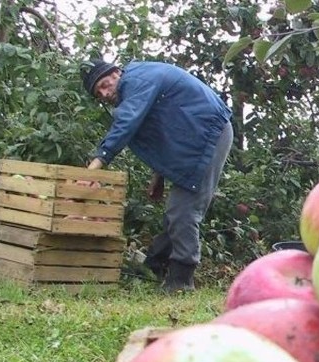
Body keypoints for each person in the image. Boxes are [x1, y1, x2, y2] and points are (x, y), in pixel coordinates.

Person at [80, 57, 233, 293]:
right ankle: (155, 266)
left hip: (209, 134)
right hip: (194, 139)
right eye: (98, 94)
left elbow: (127, 123)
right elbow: (161, 132)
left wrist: (95, 166)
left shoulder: (136, 80)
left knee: (183, 210)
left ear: (115, 73)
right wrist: (159, 175)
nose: (103, 94)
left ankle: (181, 280)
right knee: (176, 210)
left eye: (103, 85)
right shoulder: (137, 84)